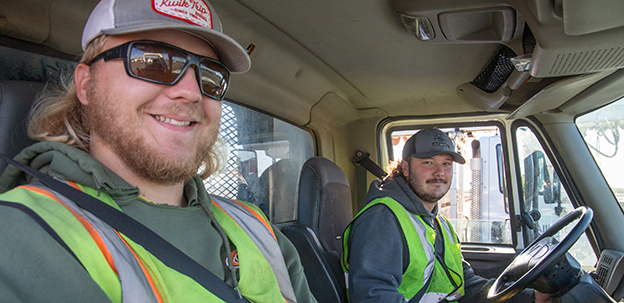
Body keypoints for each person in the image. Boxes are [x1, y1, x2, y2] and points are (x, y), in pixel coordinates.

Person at [0, 0, 316, 302]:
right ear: (86, 85)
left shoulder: (256, 227)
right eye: (152, 62)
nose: (192, 92)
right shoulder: (22, 233)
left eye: (209, 75)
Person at [341, 129, 550, 302]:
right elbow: (373, 296)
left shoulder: (439, 222)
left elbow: (464, 283)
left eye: (447, 164)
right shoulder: (383, 219)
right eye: (428, 162)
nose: (439, 172)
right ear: (405, 168)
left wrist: (529, 298)